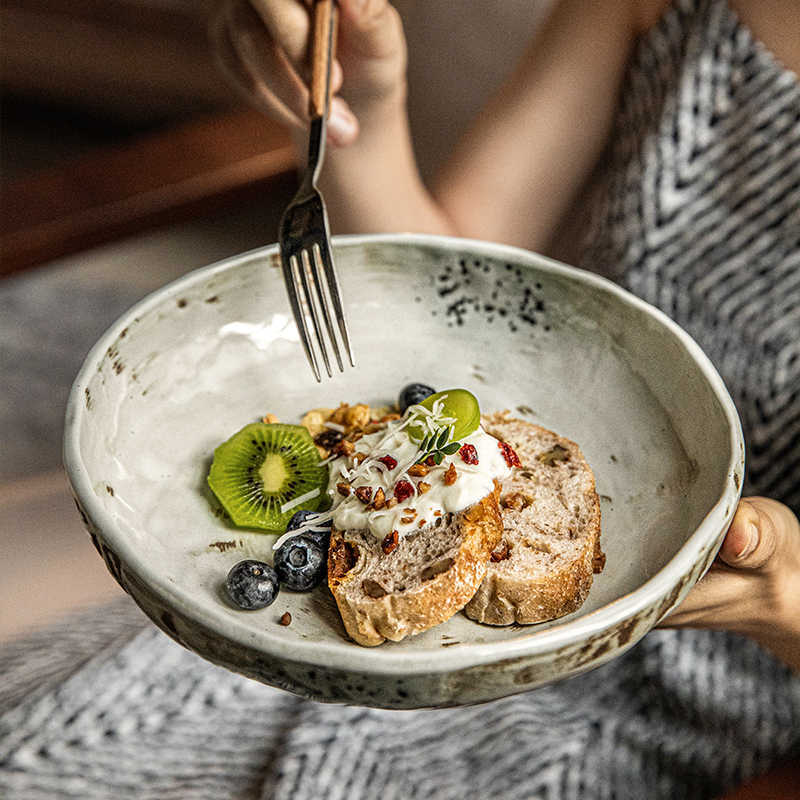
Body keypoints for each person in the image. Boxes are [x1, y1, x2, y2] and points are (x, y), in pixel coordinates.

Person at [215, 0, 800, 671]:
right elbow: (451, 297)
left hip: (731, 686)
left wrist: (783, 599)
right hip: (423, 642)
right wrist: (359, 108)